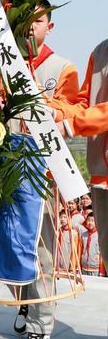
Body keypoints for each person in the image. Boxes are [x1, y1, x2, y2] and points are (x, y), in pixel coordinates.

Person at [11, 0, 80, 339]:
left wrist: (46, 105)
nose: (30, 28)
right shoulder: (5, 68)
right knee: (10, 245)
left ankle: (42, 322)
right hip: (8, 171)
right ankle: (24, 303)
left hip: (43, 176)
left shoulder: (62, 67)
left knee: (42, 251)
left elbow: (72, 109)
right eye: (25, 22)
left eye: (37, 22)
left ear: (48, 26)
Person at [56, 28, 108, 273]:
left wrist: (70, 125)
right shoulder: (99, 52)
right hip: (99, 178)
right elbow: (83, 102)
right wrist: (54, 114)